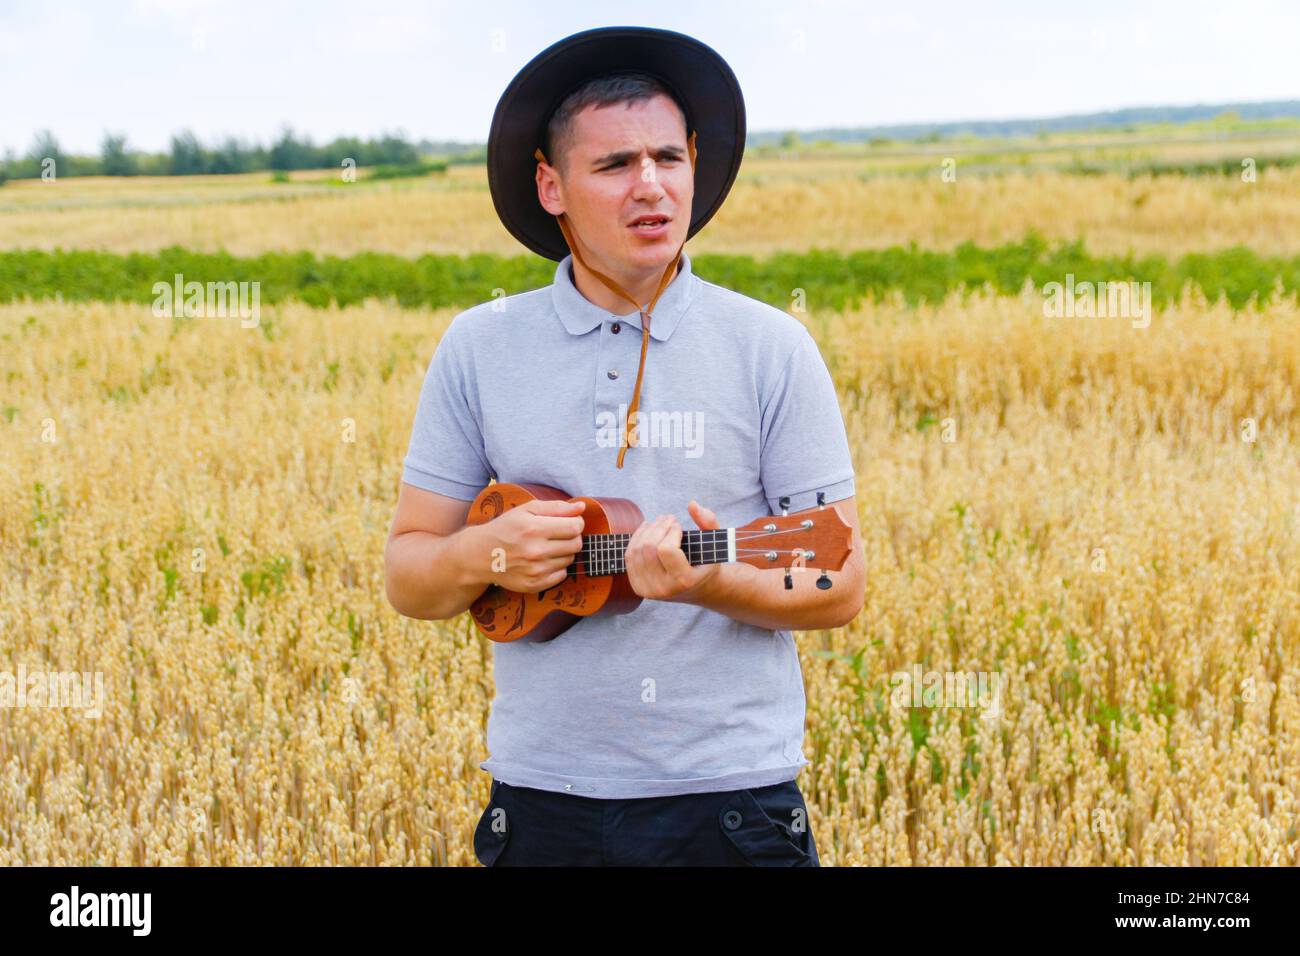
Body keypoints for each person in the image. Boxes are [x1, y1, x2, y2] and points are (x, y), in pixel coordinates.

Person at [384, 26, 864, 866]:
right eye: (614, 166)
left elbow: (839, 582)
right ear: (551, 186)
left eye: (669, 159)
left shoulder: (771, 347)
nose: (652, 187)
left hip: (733, 805)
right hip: (541, 802)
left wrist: (712, 582)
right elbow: (410, 576)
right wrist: (485, 552)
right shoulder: (479, 346)